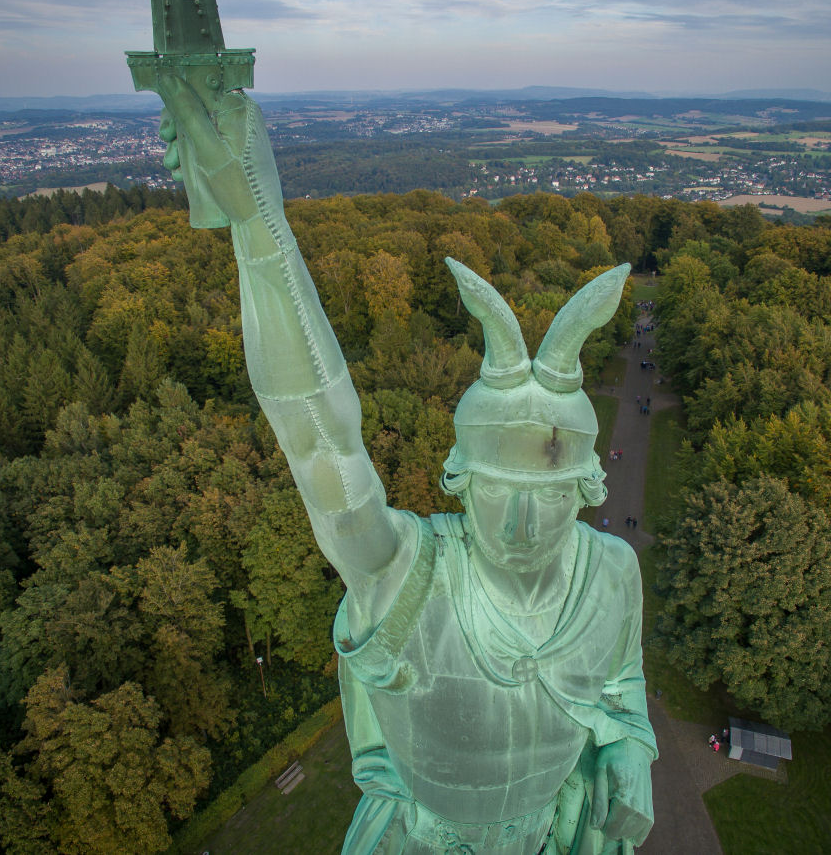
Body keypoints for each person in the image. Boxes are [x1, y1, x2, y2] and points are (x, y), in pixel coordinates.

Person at [156, 79, 656, 855]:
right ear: (459, 478)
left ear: (588, 489)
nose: (523, 525)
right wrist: (259, 226)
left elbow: (622, 688)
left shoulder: (615, 575)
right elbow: (319, 440)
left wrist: (630, 752)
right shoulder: (407, 576)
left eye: (552, 496)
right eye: (496, 493)